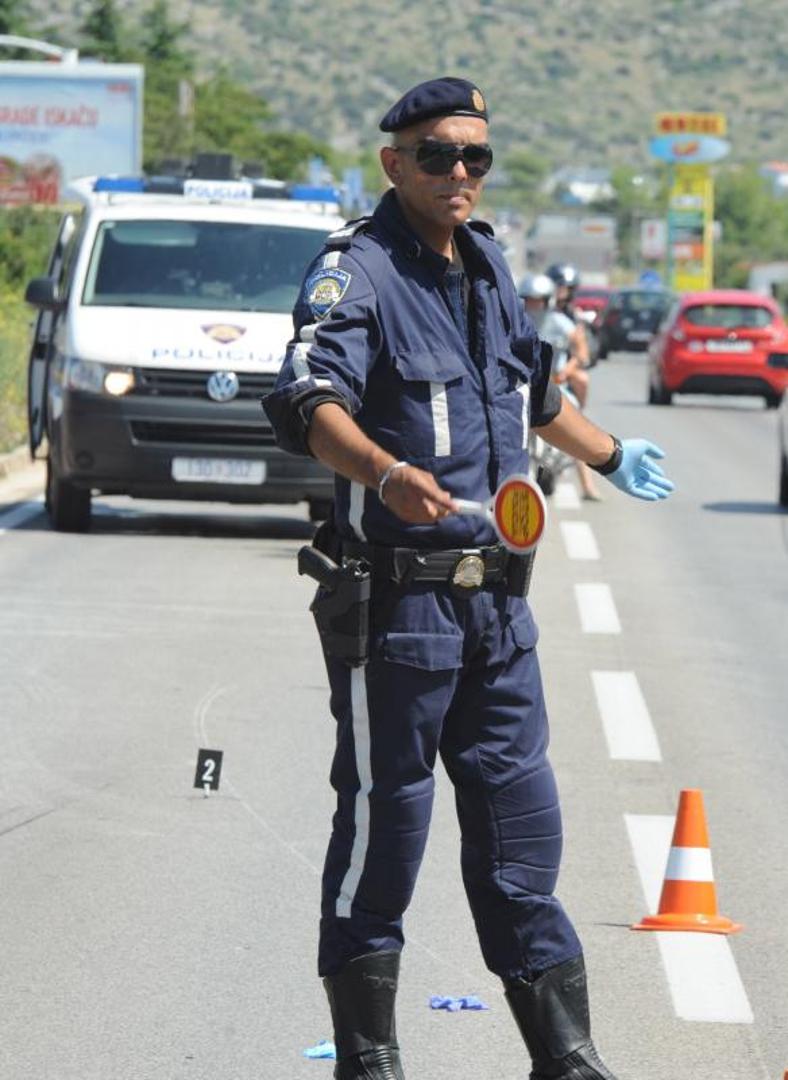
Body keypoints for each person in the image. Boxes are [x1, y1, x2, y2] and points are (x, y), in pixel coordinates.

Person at [263, 77, 673, 1080]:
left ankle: (566, 1058)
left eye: (475, 156)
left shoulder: (486, 264)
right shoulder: (356, 273)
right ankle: (369, 1061)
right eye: (438, 154)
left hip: (498, 611)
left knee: (520, 842)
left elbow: (533, 392)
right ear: (393, 163)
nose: (459, 172)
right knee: (386, 838)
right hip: (398, 608)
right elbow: (308, 397)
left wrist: (613, 454)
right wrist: (383, 473)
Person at [519, 272, 602, 500]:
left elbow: (582, 353)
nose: (534, 306)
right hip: (522, 387)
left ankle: (587, 485)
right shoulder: (516, 321)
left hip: (555, 385)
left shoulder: (561, 323)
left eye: (538, 301)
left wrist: (567, 369)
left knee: (575, 427)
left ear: (548, 301)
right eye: (529, 301)